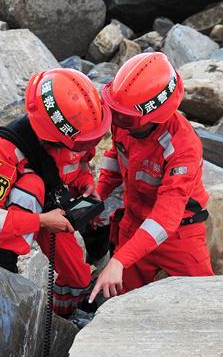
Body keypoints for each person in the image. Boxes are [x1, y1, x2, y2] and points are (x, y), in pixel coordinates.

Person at [0, 68, 111, 317]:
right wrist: (42, 221)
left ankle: (61, 319)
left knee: (78, 278)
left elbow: (80, 165)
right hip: (16, 226)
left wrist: (85, 184)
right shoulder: (9, 148)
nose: (85, 147)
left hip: (52, 211)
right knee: (31, 185)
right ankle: (7, 271)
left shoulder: (77, 132)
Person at [89, 52, 214, 302]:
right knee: (123, 301)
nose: (117, 121)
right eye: (116, 112)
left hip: (180, 234)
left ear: (155, 116)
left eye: (126, 118)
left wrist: (119, 260)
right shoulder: (124, 119)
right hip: (134, 222)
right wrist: (99, 194)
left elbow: (166, 218)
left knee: (206, 301)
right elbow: (116, 154)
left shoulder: (183, 148)